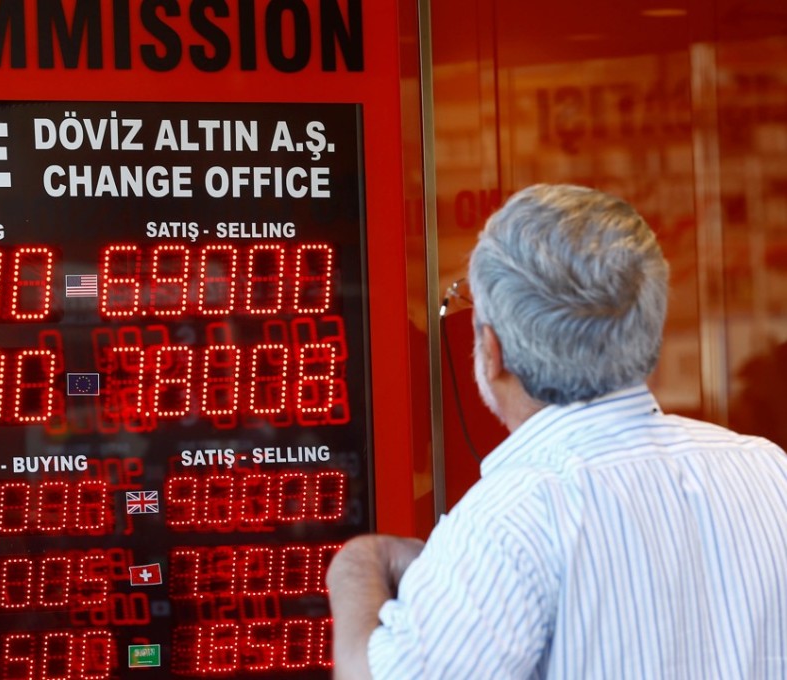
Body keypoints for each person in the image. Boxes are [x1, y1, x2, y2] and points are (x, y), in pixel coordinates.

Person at [326, 184, 787, 679]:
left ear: (490, 349)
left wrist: (358, 564)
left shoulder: (508, 519)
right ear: (649, 335)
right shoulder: (767, 470)